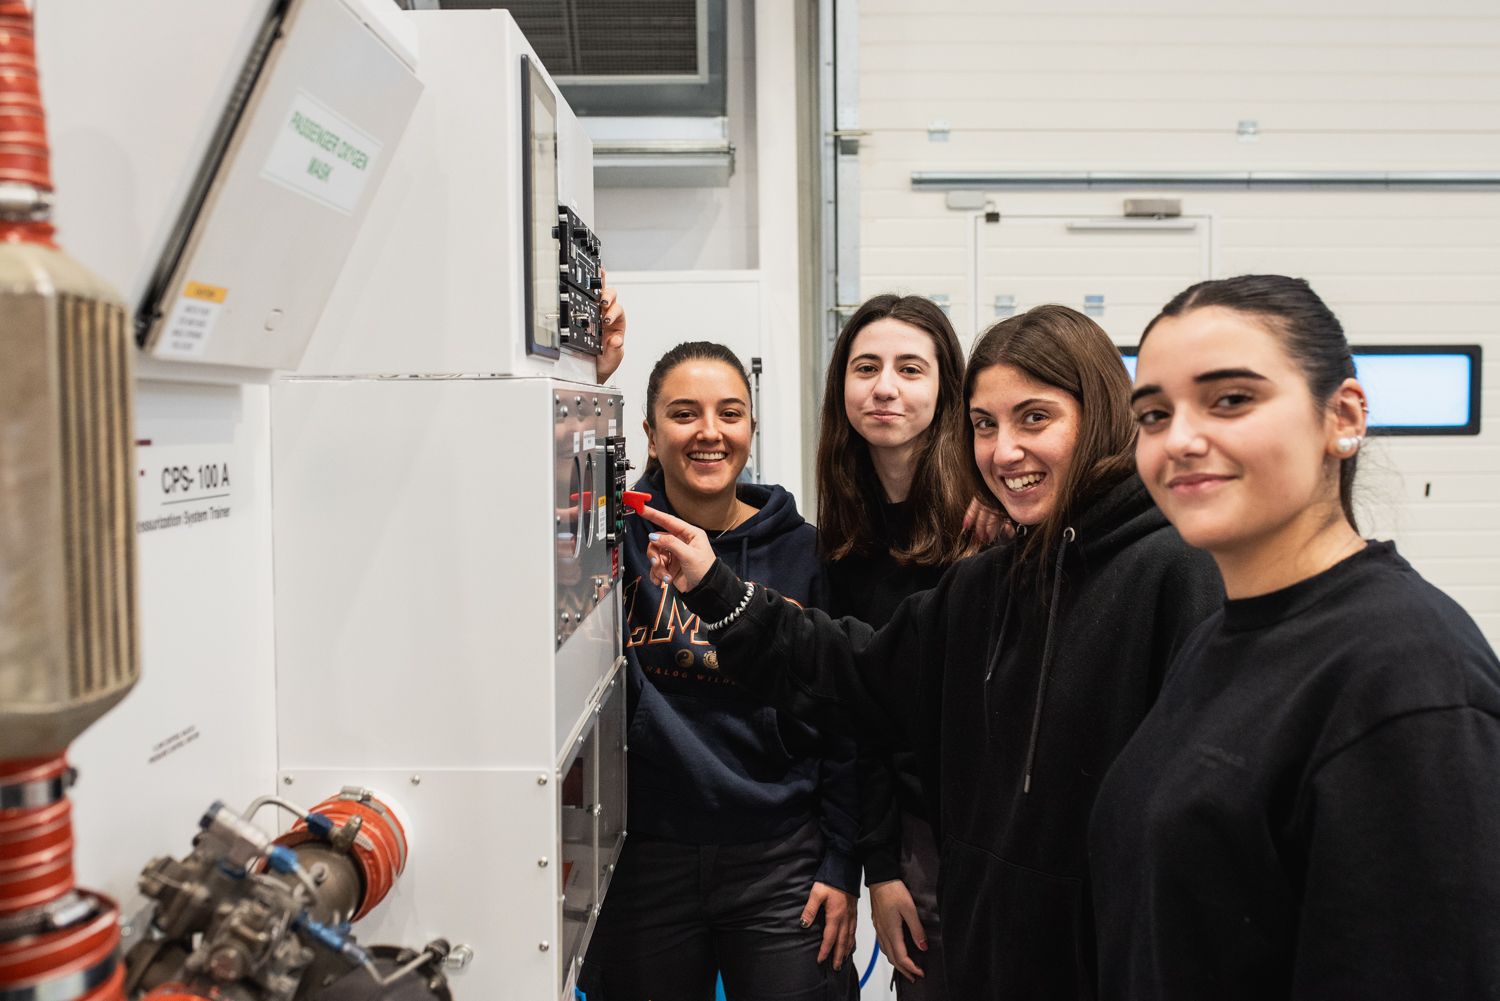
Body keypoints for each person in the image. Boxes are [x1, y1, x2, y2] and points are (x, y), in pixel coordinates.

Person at [639, 306, 1223, 1000]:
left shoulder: (1179, 568)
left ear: (1098, 410)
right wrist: (718, 590)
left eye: (1035, 418)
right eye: (985, 425)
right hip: (986, 937)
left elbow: (1208, 828)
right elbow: (860, 672)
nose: (1005, 450)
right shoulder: (988, 581)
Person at [1090, 274, 1500, 1000]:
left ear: (1341, 416)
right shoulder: (1222, 634)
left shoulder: (1407, 676)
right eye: (1153, 414)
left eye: (1231, 399)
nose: (1180, 438)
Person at [583, 341, 860, 1001]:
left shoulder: (805, 552)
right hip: (643, 858)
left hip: (781, 858)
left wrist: (842, 861)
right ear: (650, 434)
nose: (709, 431)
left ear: (751, 429)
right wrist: (583, 378)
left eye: (730, 413)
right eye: (684, 413)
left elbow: (846, 715)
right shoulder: (610, 538)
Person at [817, 294, 990, 997]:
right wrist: (882, 864)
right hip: (916, 835)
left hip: (999, 827)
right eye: (867, 367)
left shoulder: (990, 520)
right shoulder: (842, 535)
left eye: (910, 368)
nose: (885, 386)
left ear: (947, 386)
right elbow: (865, 714)